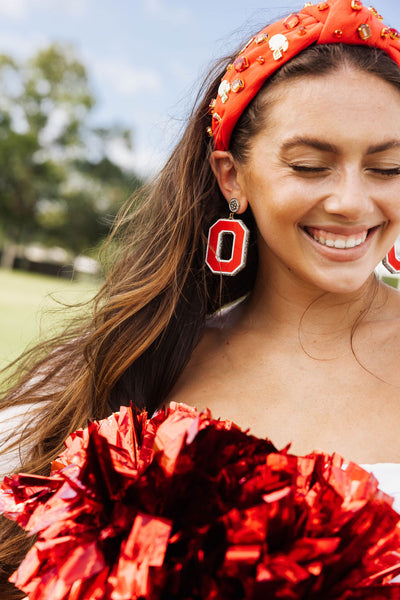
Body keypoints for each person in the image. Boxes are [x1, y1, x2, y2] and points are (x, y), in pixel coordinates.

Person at [2, 0, 400, 596]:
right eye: (311, 165)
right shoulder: (140, 361)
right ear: (230, 176)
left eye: (388, 168)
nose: (350, 200)